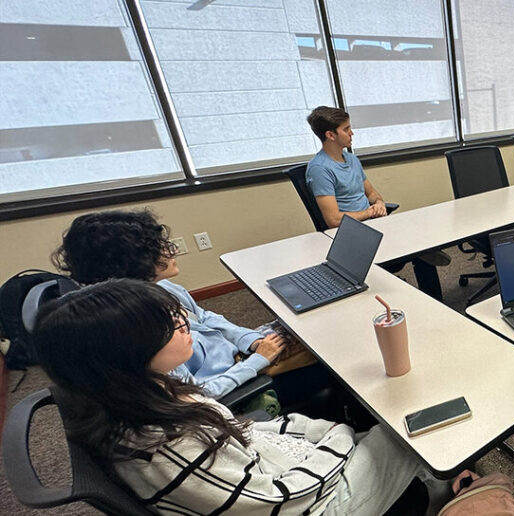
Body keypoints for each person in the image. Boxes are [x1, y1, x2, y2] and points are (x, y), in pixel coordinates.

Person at [31, 279, 455, 514]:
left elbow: (251, 431)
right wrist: (343, 440)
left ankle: (433, 491)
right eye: (169, 324)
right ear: (127, 352)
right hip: (310, 504)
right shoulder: (164, 444)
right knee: (413, 426)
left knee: (390, 431)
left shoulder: (150, 392)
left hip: (290, 469)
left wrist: (329, 433)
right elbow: (276, 501)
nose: (185, 322)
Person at [52, 210, 287, 400]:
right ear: (128, 263)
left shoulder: (164, 288)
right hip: (234, 384)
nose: (171, 250)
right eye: (158, 248)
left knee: (295, 330)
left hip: (236, 355)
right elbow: (193, 395)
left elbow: (204, 317)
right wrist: (257, 362)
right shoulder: (142, 332)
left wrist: (249, 340)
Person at [305, 106, 448, 299]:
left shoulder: (351, 159)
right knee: (416, 248)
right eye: (346, 129)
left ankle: (435, 299)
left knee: (419, 239)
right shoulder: (320, 169)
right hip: (352, 234)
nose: (351, 133)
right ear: (330, 135)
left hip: (372, 222)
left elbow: (371, 193)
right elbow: (333, 220)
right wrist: (370, 212)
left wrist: (379, 203)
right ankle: (418, 250)